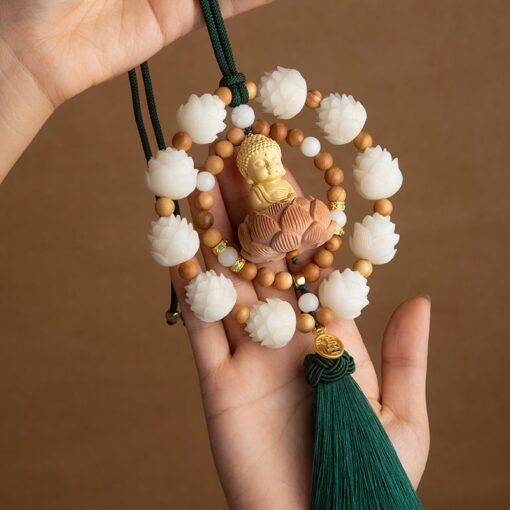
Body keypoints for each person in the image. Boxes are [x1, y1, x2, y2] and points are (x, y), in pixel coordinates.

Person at [0, 2, 431, 508]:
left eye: (270, 162)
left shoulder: (290, 195)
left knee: (295, 218)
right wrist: (20, 65)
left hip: (293, 231)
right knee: (261, 227)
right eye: (260, 165)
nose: (267, 169)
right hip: (264, 237)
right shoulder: (255, 193)